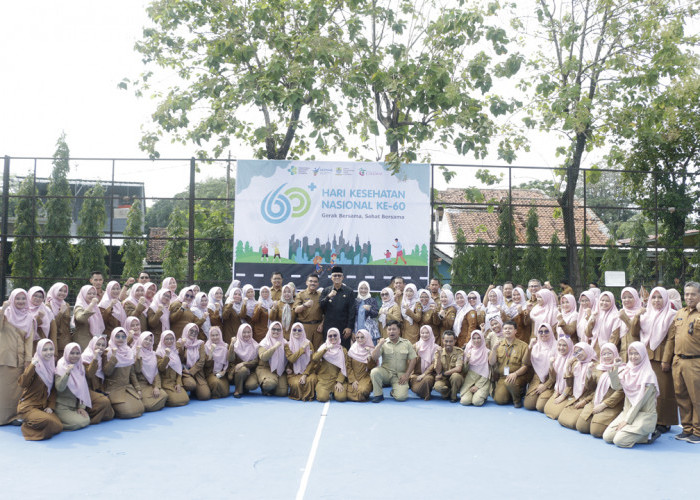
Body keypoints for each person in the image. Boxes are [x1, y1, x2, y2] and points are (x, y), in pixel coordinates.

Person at [634, 286, 678, 438]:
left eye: (660, 297)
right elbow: (636, 333)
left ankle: (664, 421)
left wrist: (666, 360)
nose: (656, 300)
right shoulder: (645, 314)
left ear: (666, 299)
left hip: (662, 358)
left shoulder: (672, 315)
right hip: (647, 356)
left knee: (664, 390)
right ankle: (651, 419)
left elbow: (671, 340)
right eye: (654, 297)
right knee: (649, 389)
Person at [603, 341, 659, 448]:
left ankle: (649, 435)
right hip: (627, 412)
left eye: (636, 353)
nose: (633, 357)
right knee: (607, 437)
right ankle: (635, 432)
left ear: (643, 354)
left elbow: (639, 402)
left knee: (619, 441)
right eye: (631, 353)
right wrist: (615, 369)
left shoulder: (649, 375)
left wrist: (626, 421)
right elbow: (616, 387)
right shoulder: (628, 370)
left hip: (643, 414)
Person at [670, 281, 700, 443]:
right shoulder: (680, 313)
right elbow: (672, 337)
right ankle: (687, 428)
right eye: (687, 294)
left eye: (693, 294)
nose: (689, 297)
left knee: (697, 398)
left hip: (695, 362)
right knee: (681, 396)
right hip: (678, 361)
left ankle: (698, 430)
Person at [0, 289, 35, 425]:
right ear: (12, 299)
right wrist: (3, 308)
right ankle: (2, 418)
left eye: (23, 299)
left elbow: (29, 340)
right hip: (5, 358)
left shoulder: (29, 317)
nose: (20, 302)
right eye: (17, 299)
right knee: (3, 390)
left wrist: (28, 360)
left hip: (20, 359)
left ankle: (14, 416)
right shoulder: (5, 314)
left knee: (17, 391)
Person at [16, 339, 63, 440]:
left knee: (59, 426)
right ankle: (27, 427)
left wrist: (50, 406)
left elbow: (53, 391)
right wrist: (32, 366)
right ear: (39, 351)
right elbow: (23, 383)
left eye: (51, 349)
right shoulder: (34, 366)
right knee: (47, 421)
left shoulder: (52, 368)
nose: (49, 352)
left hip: (42, 407)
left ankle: (37, 424)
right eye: (45, 350)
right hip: (28, 406)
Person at [575, 342, 624, 438]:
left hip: (611, 404)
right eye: (604, 354)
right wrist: (589, 373)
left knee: (596, 431)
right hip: (595, 401)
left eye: (609, 353)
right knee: (581, 427)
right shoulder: (598, 367)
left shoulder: (622, 369)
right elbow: (591, 388)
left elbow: (620, 392)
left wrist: (603, 405)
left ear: (615, 354)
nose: (606, 356)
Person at [370, 320, 417, 402]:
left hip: (400, 376)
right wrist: (379, 345)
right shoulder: (383, 343)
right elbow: (374, 357)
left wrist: (407, 374)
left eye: (394, 329)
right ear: (386, 331)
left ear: (399, 331)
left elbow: (413, 359)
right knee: (375, 372)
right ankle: (378, 395)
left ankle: (394, 392)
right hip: (386, 373)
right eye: (389, 329)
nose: (391, 331)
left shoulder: (406, 343)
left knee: (401, 397)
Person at [103, 328, 145, 419]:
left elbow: (132, 374)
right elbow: (107, 373)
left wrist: (138, 388)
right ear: (113, 337)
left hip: (126, 387)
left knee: (140, 408)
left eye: (123, 336)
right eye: (117, 336)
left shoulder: (129, 351)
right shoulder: (108, 352)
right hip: (113, 388)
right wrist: (113, 357)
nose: (120, 339)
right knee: (128, 412)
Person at [489, 320, 530, 407]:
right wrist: (494, 349)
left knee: (510, 382)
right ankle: (511, 393)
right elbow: (492, 362)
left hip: (518, 376)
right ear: (502, 331)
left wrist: (515, 374)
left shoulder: (523, 346)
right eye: (505, 329)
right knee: (500, 400)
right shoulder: (498, 345)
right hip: (503, 377)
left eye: (510, 329)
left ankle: (517, 399)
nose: (507, 330)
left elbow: (525, 366)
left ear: (515, 331)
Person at [558, 343, 598, 429]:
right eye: (576, 353)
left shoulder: (595, 366)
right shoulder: (577, 364)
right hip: (576, 397)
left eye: (580, 350)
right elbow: (570, 385)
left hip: (589, 398)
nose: (578, 354)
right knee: (561, 419)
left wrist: (585, 401)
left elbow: (597, 390)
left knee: (576, 424)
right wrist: (568, 367)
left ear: (587, 350)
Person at [54, 342, 92, 431]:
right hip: (62, 406)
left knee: (86, 420)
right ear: (66, 353)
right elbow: (60, 388)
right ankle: (56, 425)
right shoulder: (61, 366)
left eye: (77, 353)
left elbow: (83, 389)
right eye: (72, 353)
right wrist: (67, 372)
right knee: (81, 422)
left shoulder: (80, 367)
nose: (75, 356)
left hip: (74, 406)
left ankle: (59, 423)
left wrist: (81, 407)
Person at [80, 336, 116, 424]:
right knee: (104, 402)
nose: (100, 347)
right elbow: (89, 375)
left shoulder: (102, 356)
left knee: (111, 413)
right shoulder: (86, 357)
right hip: (86, 389)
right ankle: (91, 419)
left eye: (103, 345)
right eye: (98, 344)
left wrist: (113, 356)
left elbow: (106, 373)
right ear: (92, 344)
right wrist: (95, 358)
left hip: (97, 388)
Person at [319, 266, 356, 349]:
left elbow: (352, 311)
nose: (337, 277)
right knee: (328, 350)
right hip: (329, 327)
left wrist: (349, 327)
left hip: (343, 328)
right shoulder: (326, 291)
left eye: (339, 275)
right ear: (331, 277)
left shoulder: (349, 291)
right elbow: (321, 306)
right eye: (335, 275)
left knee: (343, 350)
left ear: (342, 277)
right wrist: (328, 296)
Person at [523, 323, 557, 412]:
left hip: (552, 379)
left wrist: (546, 385)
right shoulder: (535, 346)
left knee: (540, 407)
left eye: (546, 331)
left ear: (551, 332)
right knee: (529, 405)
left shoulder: (557, 347)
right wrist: (529, 347)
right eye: (540, 332)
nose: (543, 334)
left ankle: (549, 395)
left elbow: (558, 371)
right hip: (537, 378)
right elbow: (526, 362)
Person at [132, 332, 169, 412]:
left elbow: (156, 372)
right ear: (141, 339)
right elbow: (134, 373)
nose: (148, 342)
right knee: (148, 405)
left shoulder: (152, 354)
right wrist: (138, 389)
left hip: (151, 384)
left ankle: (148, 403)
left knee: (164, 395)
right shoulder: (134, 353)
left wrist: (157, 387)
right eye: (146, 339)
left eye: (150, 340)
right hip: (140, 384)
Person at [311, 327, 349, 402]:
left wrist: (339, 382)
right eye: (330, 336)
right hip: (324, 379)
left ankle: (334, 393)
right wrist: (326, 349)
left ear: (338, 336)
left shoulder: (343, 350)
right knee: (322, 398)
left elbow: (345, 367)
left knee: (341, 398)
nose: (332, 337)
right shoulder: (323, 347)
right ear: (327, 337)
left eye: (335, 335)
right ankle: (326, 392)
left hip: (336, 379)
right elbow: (314, 358)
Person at [155, 330, 190, 407]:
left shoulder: (175, 351)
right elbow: (161, 369)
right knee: (175, 401)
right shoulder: (159, 353)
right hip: (165, 382)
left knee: (185, 399)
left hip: (174, 382)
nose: (169, 341)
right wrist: (166, 356)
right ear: (162, 340)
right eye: (167, 339)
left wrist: (178, 383)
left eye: (171, 339)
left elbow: (179, 371)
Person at [543, 336, 574, 419]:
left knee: (555, 414)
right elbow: (553, 378)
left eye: (564, 345)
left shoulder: (573, 361)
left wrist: (563, 395)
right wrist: (551, 365)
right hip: (558, 390)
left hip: (569, 392)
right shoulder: (558, 357)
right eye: (559, 345)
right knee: (545, 409)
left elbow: (572, 384)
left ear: (570, 346)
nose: (561, 348)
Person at [178, 323, 210, 400]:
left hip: (197, 372)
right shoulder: (180, 342)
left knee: (205, 396)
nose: (193, 333)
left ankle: (196, 391)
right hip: (185, 372)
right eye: (191, 331)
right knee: (190, 384)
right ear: (186, 331)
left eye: (196, 331)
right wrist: (181, 347)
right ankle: (186, 388)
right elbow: (180, 360)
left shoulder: (200, 343)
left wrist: (191, 371)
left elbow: (202, 361)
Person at [285, 322, 316, 401]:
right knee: (296, 384)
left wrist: (305, 374)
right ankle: (300, 396)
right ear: (291, 331)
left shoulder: (308, 343)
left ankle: (307, 397)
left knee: (310, 381)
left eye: (299, 330)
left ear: (303, 331)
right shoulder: (287, 345)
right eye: (294, 330)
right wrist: (302, 349)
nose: (297, 332)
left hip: (308, 372)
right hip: (293, 373)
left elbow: (312, 361)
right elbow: (291, 359)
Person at [256, 321, 289, 397]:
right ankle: (266, 387)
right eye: (273, 329)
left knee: (282, 393)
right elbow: (263, 357)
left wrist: (287, 368)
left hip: (280, 370)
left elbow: (287, 359)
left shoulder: (284, 342)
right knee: (269, 384)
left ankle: (274, 386)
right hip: (266, 368)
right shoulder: (264, 342)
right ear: (269, 330)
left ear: (281, 331)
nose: (276, 331)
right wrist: (275, 347)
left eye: (278, 330)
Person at [460, 330, 491, 407]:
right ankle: (474, 394)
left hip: (483, 380)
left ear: (482, 339)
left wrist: (477, 386)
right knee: (465, 401)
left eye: (478, 338)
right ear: (471, 339)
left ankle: (480, 395)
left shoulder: (487, 352)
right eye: (474, 338)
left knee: (477, 402)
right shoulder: (468, 351)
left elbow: (488, 372)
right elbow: (464, 371)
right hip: (469, 380)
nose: (476, 340)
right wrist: (466, 360)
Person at [228, 324, 260, 398]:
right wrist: (231, 345)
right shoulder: (235, 344)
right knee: (242, 370)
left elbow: (256, 361)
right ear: (239, 333)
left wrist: (243, 363)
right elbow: (230, 359)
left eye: (248, 332)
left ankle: (244, 386)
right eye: (244, 332)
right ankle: (237, 390)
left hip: (251, 371)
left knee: (252, 385)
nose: (246, 334)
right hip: (236, 371)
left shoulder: (255, 345)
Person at [293, 275, 324, 349]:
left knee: (317, 350)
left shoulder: (321, 295)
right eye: (311, 281)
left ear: (318, 284)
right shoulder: (301, 294)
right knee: (305, 350)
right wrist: (305, 305)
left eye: (315, 281)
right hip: (305, 326)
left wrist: (322, 324)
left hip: (318, 327)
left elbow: (326, 311)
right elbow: (296, 310)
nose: (313, 283)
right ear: (306, 282)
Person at [433, 331, 464, 402]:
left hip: (454, 378)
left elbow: (458, 368)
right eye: (446, 341)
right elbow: (438, 371)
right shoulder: (438, 352)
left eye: (451, 341)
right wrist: (440, 356)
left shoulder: (459, 351)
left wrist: (444, 373)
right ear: (443, 340)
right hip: (443, 379)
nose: (448, 344)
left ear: (455, 341)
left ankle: (453, 397)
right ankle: (447, 393)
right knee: (437, 386)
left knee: (456, 376)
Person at [346, 329, 376, 402]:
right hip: (353, 377)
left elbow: (371, 368)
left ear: (367, 337)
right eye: (357, 337)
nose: (360, 339)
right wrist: (353, 380)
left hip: (365, 377)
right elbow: (348, 367)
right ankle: (360, 396)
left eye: (362, 337)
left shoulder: (372, 350)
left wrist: (369, 354)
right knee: (342, 394)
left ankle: (361, 394)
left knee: (362, 391)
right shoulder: (352, 349)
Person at [410, 325, 439, 400]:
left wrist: (424, 374)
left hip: (429, 374)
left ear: (431, 333)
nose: (424, 335)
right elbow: (411, 362)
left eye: (427, 333)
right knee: (416, 388)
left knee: (427, 380)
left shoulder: (436, 347)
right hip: (416, 374)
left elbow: (434, 364)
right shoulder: (415, 346)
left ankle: (426, 394)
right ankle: (421, 391)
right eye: (422, 333)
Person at [72, 285, 104, 350]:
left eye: (94, 294)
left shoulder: (95, 308)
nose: (92, 295)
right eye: (89, 293)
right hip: (83, 342)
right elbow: (81, 319)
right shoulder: (79, 306)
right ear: (83, 294)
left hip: (94, 341)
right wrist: (91, 304)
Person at [27, 286, 57, 355]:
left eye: (41, 297)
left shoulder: (47, 310)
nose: (38, 298)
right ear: (30, 295)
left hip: (42, 345)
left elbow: (53, 333)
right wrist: (38, 319)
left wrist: (55, 353)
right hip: (27, 344)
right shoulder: (24, 310)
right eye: (35, 296)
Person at [203, 326, 230, 399]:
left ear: (220, 335)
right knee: (216, 382)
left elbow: (227, 362)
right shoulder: (206, 346)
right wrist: (211, 351)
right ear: (209, 336)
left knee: (225, 393)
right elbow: (205, 364)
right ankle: (214, 394)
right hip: (210, 373)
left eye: (217, 335)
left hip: (221, 374)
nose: (215, 337)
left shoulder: (224, 346)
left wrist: (224, 371)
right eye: (212, 335)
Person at [46, 282, 71, 358]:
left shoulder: (66, 305)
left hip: (66, 341)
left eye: (65, 291)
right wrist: (60, 313)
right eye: (60, 290)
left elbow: (67, 325)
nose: (63, 293)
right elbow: (51, 326)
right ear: (55, 290)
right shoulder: (48, 305)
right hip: (54, 341)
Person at [618, 287, 643, 360]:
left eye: (630, 297)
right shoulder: (619, 313)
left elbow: (635, 332)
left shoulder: (641, 313)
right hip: (623, 354)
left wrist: (625, 318)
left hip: (636, 354)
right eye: (624, 297)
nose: (627, 300)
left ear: (636, 298)